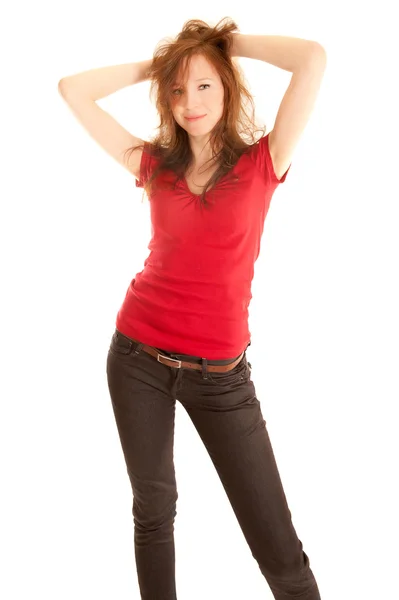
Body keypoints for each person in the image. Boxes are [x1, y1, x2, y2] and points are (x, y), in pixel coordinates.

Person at [59, 17, 327, 600]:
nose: (189, 102)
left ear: (228, 87)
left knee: (279, 551)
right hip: (136, 359)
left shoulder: (263, 163)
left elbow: (312, 58)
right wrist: (165, 63)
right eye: (177, 91)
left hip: (222, 378)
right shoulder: (156, 165)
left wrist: (221, 47)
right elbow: (71, 90)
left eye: (205, 85)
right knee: (154, 511)